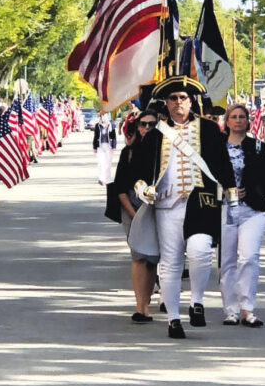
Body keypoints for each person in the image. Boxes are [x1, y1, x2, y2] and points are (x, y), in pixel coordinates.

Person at [130, 75, 236, 339]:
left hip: (201, 202)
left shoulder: (210, 130)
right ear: (166, 102)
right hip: (168, 203)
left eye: (184, 98)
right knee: (171, 263)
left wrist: (231, 193)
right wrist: (144, 189)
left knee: (200, 252)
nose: (179, 102)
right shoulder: (155, 135)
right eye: (174, 98)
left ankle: (196, 302)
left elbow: (223, 164)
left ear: (191, 102)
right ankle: (174, 319)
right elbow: (139, 171)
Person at [220, 104, 265, 328]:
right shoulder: (218, 147)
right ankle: (230, 310)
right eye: (233, 117)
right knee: (227, 261)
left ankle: (248, 308)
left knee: (248, 256)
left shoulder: (257, 147)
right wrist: (224, 191)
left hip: (253, 208)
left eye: (241, 117)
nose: (237, 120)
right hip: (225, 208)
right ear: (227, 121)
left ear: (248, 120)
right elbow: (208, 178)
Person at [114, 110, 159, 323]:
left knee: (152, 259)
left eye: (152, 125)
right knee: (138, 255)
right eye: (143, 124)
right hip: (132, 208)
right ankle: (140, 306)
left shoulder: (163, 153)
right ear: (137, 126)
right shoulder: (128, 153)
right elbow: (120, 188)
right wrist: (135, 216)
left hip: (157, 209)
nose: (147, 129)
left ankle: (147, 303)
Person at [93, 113, 116, 185]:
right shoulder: (98, 125)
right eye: (102, 117)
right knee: (101, 162)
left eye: (105, 116)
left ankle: (107, 179)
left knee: (108, 163)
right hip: (100, 146)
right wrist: (94, 147)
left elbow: (114, 136)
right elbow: (96, 136)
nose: (103, 118)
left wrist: (113, 146)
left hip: (109, 146)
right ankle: (101, 179)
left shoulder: (111, 125)